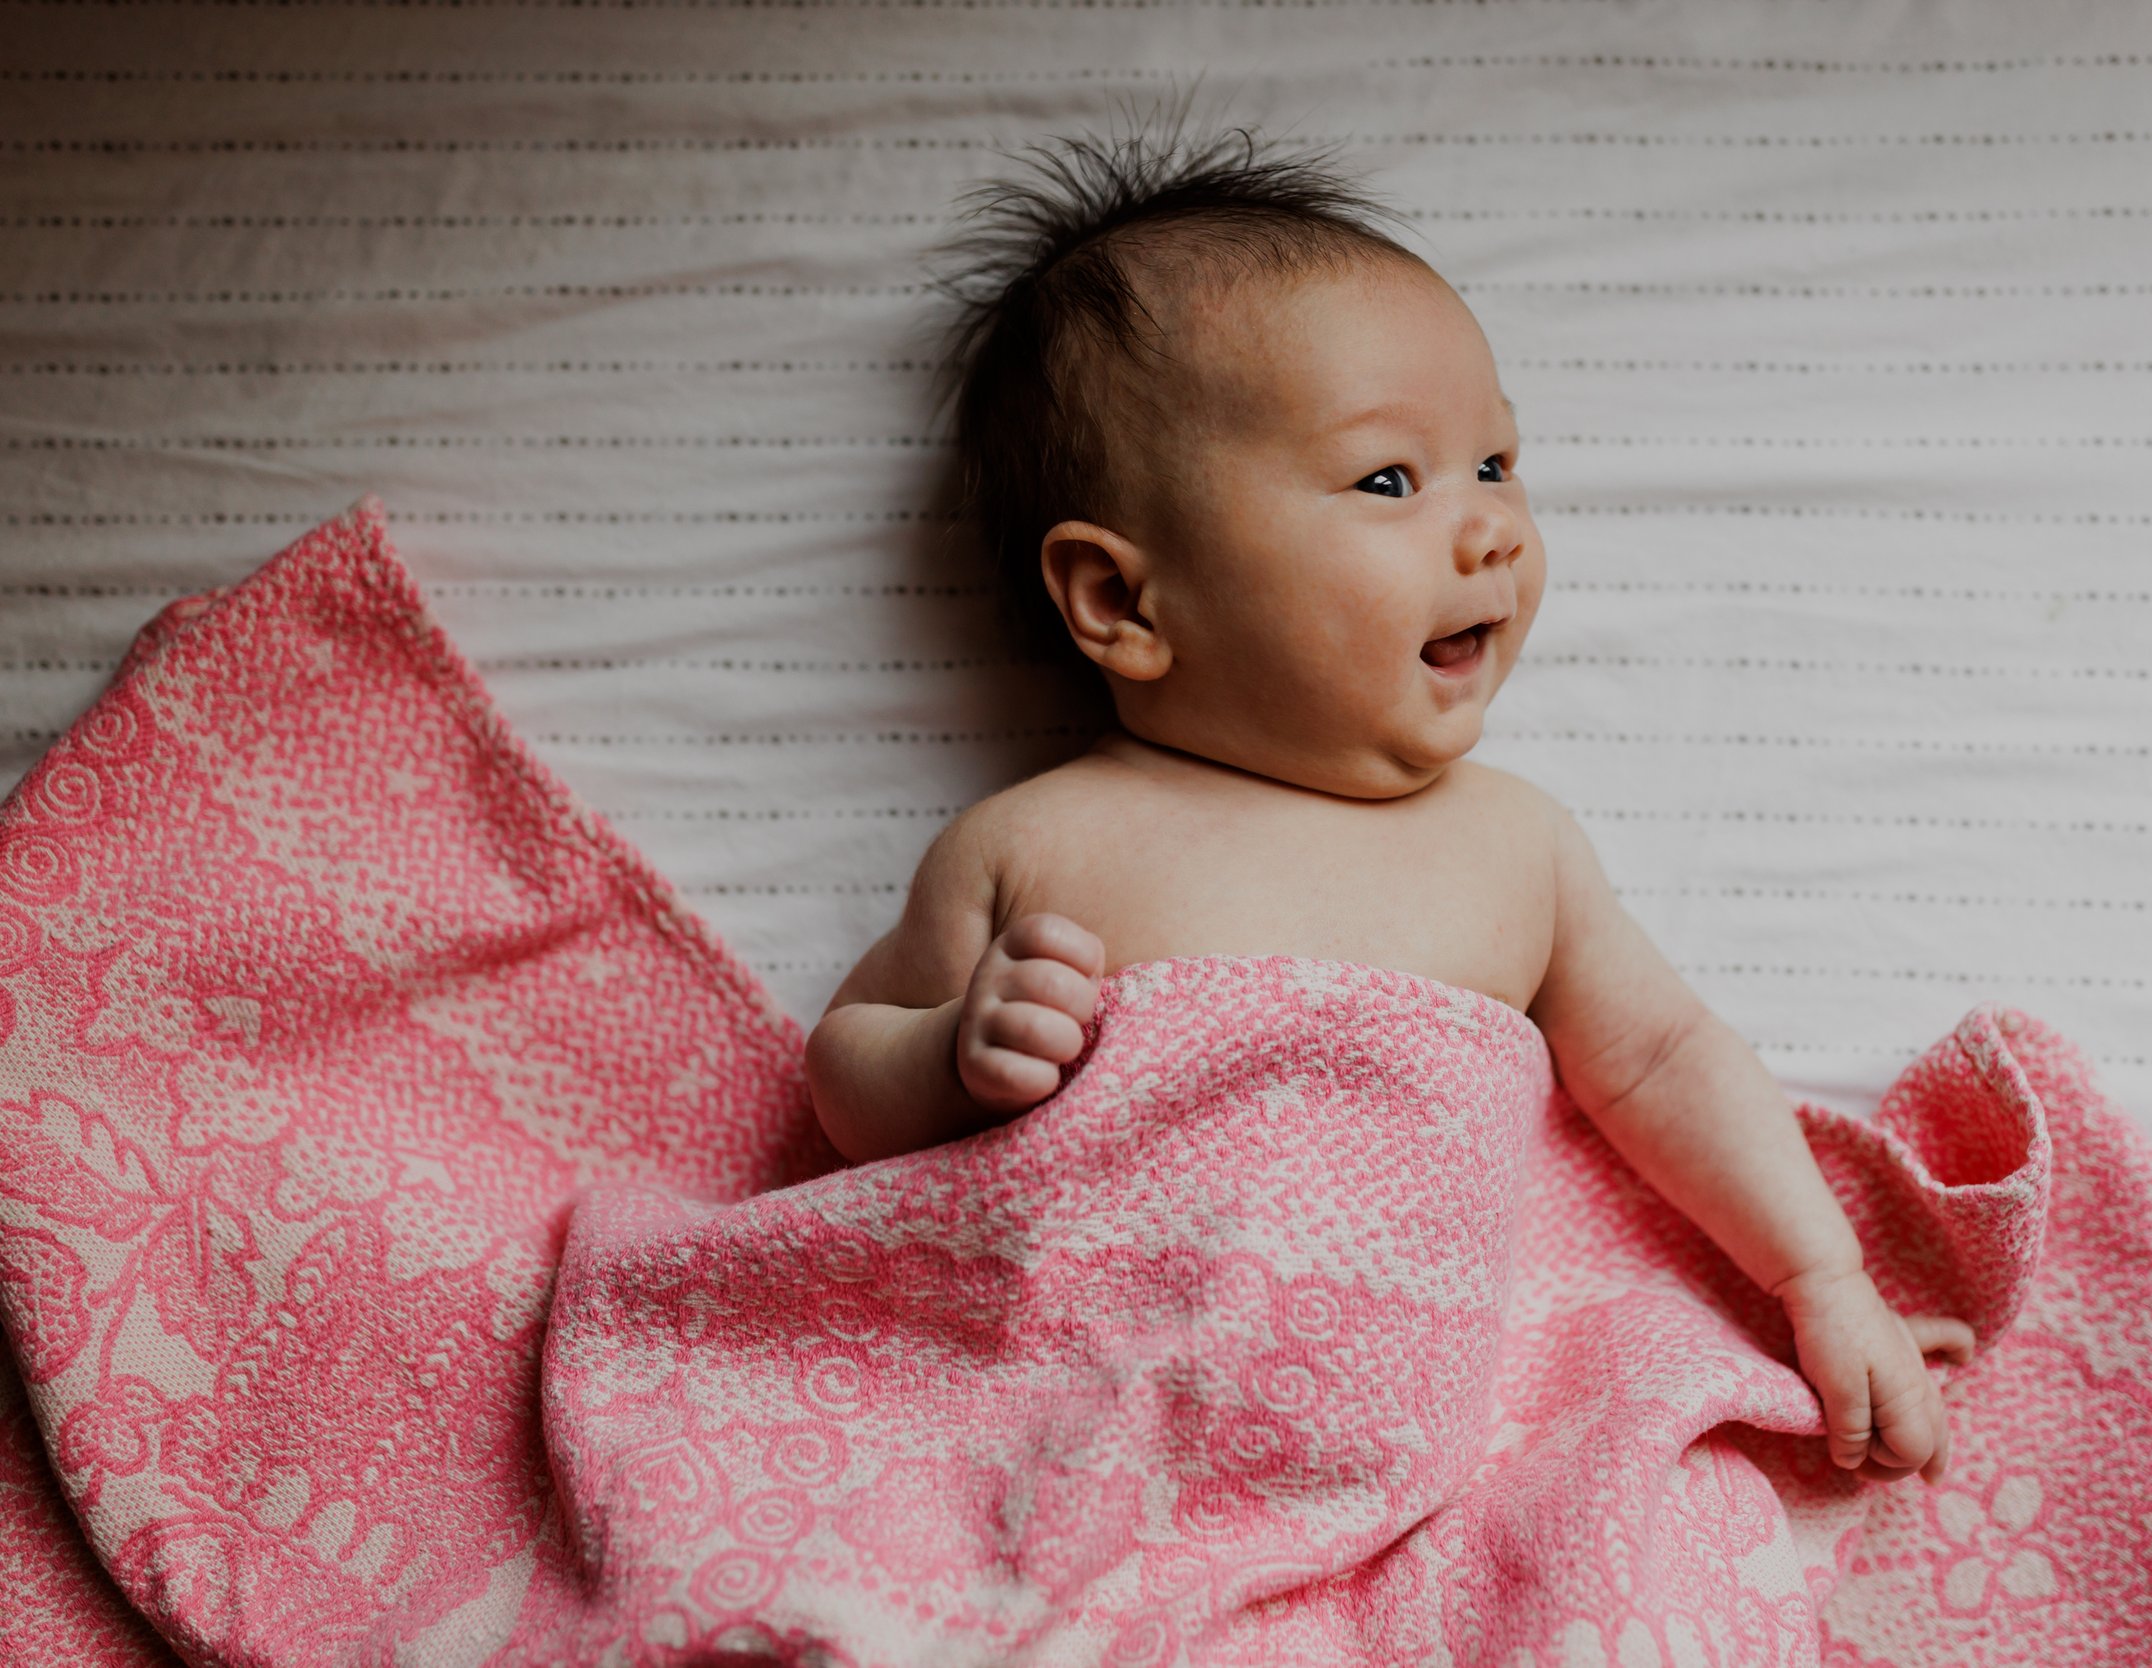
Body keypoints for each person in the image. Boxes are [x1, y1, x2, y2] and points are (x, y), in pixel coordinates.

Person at [805, 119, 1973, 1486]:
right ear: (1124, 599)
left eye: (1496, 464)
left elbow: (1661, 1061)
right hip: (1051, 1435)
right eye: (1388, 481)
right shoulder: (1038, 844)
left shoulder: (1512, 847)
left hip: (1402, 1461)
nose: (1492, 528)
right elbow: (841, 1080)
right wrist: (950, 1053)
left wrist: (1819, 1273)